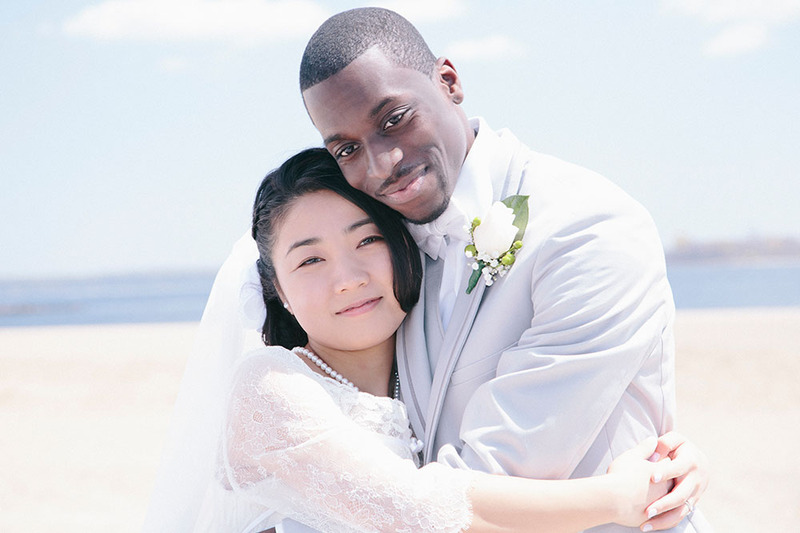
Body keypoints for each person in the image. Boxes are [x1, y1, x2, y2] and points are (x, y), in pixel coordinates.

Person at [145, 7, 710, 533]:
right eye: (345, 149)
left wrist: (664, 472)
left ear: (449, 81)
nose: (381, 164)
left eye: (394, 118)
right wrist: (618, 494)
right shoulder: (397, 244)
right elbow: (425, 504)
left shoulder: (587, 228)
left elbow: (500, 470)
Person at [159, 148, 693, 532]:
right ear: (277, 289)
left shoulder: (425, 362)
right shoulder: (270, 387)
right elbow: (425, 515)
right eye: (311, 259)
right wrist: (617, 498)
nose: (347, 277)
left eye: (367, 238)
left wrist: (669, 463)